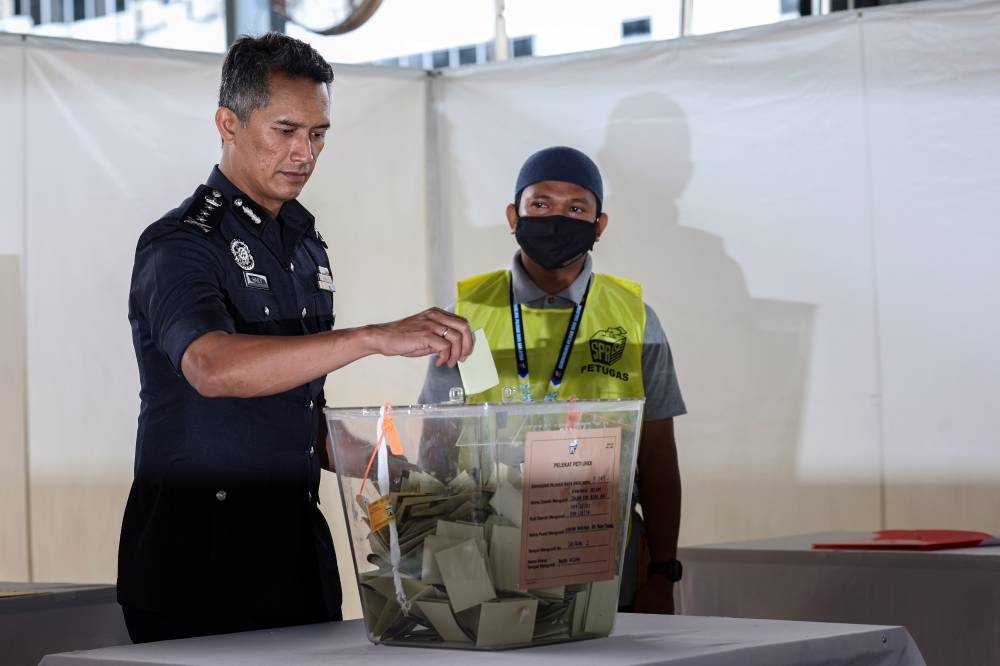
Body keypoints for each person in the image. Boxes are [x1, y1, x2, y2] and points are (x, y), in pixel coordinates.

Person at [118, 32, 472, 643]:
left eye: (318, 134)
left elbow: (300, 417)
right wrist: (374, 338)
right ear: (229, 123)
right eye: (285, 129)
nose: (303, 152)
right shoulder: (179, 243)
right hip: (196, 564)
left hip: (294, 557)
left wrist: (415, 477)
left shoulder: (305, 247)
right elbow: (214, 368)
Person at [418, 146, 685, 614]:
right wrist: (431, 558)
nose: (557, 218)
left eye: (576, 208)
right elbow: (437, 448)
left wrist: (663, 571)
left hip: (602, 550)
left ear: (599, 225)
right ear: (513, 216)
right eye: (540, 204)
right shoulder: (467, 316)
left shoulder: (636, 319)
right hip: (485, 550)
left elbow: (659, 458)